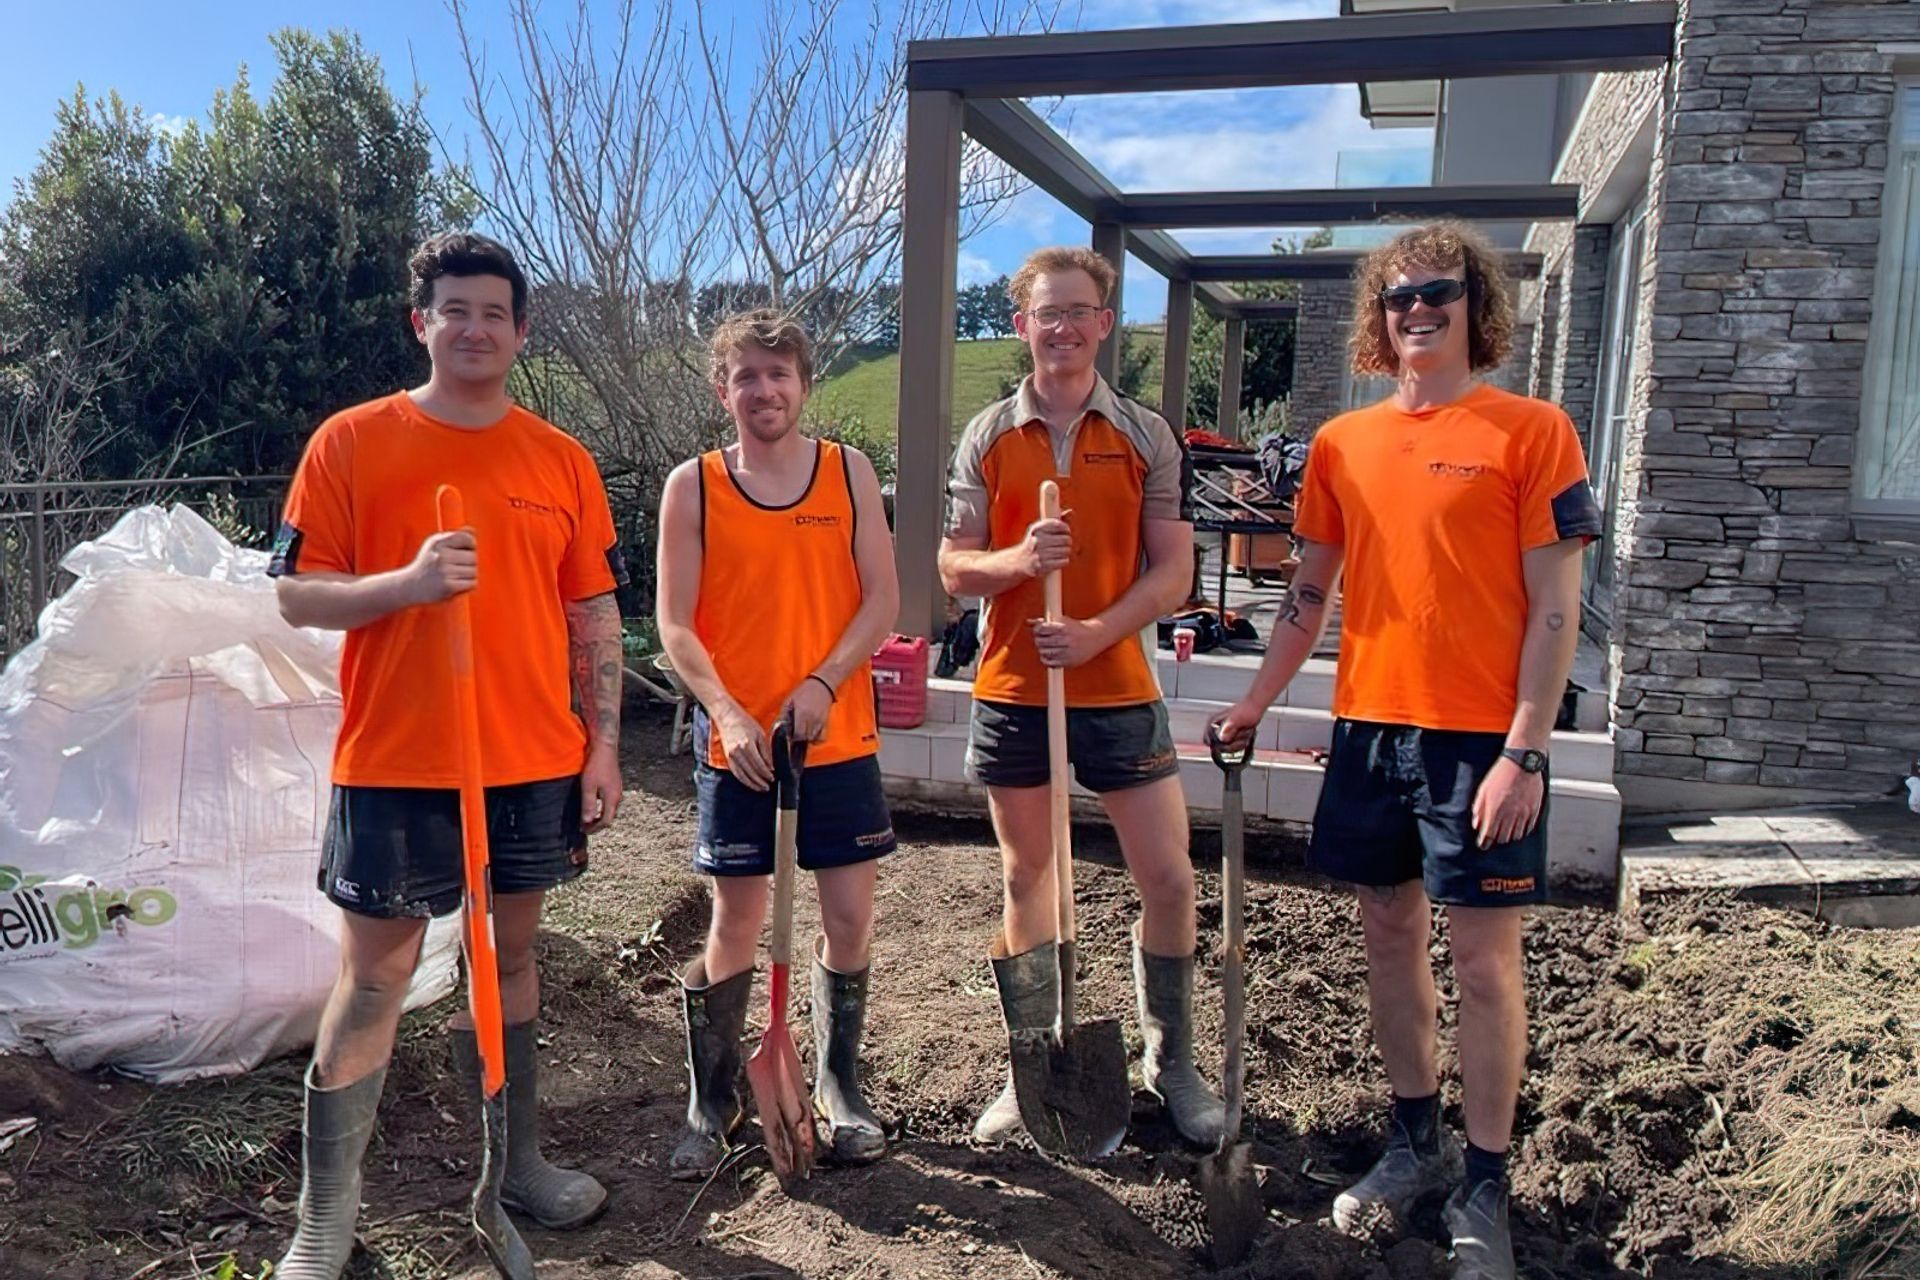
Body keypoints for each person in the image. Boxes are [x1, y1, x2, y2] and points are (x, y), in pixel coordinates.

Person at [1212, 221, 1599, 1280]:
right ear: (1379, 319)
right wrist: (1253, 698)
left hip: (1483, 740)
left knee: (1482, 960)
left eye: (1439, 291)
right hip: (1373, 729)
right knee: (1388, 931)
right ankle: (1414, 1140)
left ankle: (1484, 1179)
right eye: (1397, 296)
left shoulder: (1534, 431)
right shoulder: (1344, 444)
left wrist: (1525, 747)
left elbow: (1557, 607)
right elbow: (1305, 592)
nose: (1417, 309)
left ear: (1478, 307)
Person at [268, 232, 627, 1278]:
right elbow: (295, 593)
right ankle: (322, 1222)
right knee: (375, 975)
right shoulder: (352, 441)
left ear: (521, 330)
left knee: (508, 957)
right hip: (394, 758)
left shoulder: (559, 459)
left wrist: (599, 744)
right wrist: (406, 585)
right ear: (419, 320)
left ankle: (517, 1165)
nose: (475, 328)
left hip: (530, 761)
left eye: (494, 312)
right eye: (453, 309)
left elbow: (593, 610)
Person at [938, 246, 1224, 1149]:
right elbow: (953, 566)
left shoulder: (1145, 435)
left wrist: (1100, 631)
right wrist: (1019, 564)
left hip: (1119, 685)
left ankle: (1169, 1058)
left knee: (1170, 878)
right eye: (1043, 312)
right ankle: (1038, 1061)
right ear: (1020, 325)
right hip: (1016, 689)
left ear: (1105, 323)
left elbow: (1174, 571)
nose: (1060, 327)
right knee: (1032, 878)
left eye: (1078, 311)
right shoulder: (988, 435)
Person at [655, 309, 899, 1178]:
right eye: (746, 376)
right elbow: (675, 624)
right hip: (743, 746)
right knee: (736, 924)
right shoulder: (694, 485)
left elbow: (883, 600)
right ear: (722, 390)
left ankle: (840, 1087)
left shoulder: (848, 473)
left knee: (848, 917)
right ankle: (710, 1101)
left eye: (779, 373)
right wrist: (724, 710)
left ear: (805, 382)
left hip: (836, 741)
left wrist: (826, 680)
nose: (764, 390)